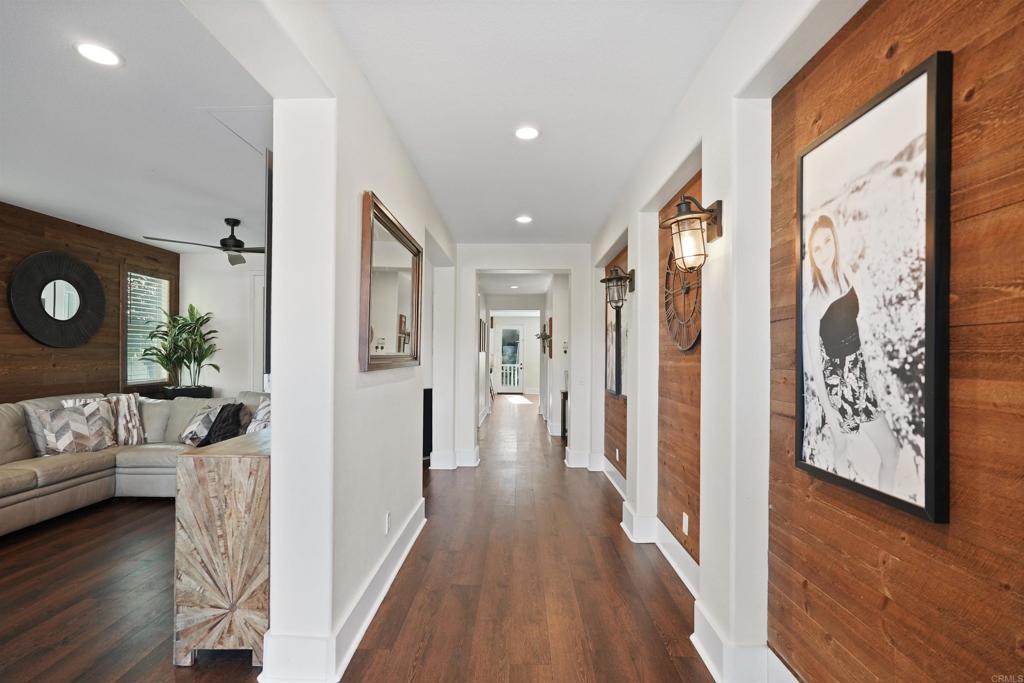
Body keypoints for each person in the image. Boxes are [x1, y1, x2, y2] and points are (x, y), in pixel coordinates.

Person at [803, 215, 901, 490]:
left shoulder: (845, 276)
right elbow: (817, 368)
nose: (824, 252)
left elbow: (857, 328)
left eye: (827, 242)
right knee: (867, 451)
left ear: (835, 241)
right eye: (817, 248)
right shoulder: (814, 304)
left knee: (886, 453)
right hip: (841, 385)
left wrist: (871, 378)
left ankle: (880, 502)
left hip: (860, 376)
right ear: (811, 256)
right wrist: (831, 416)